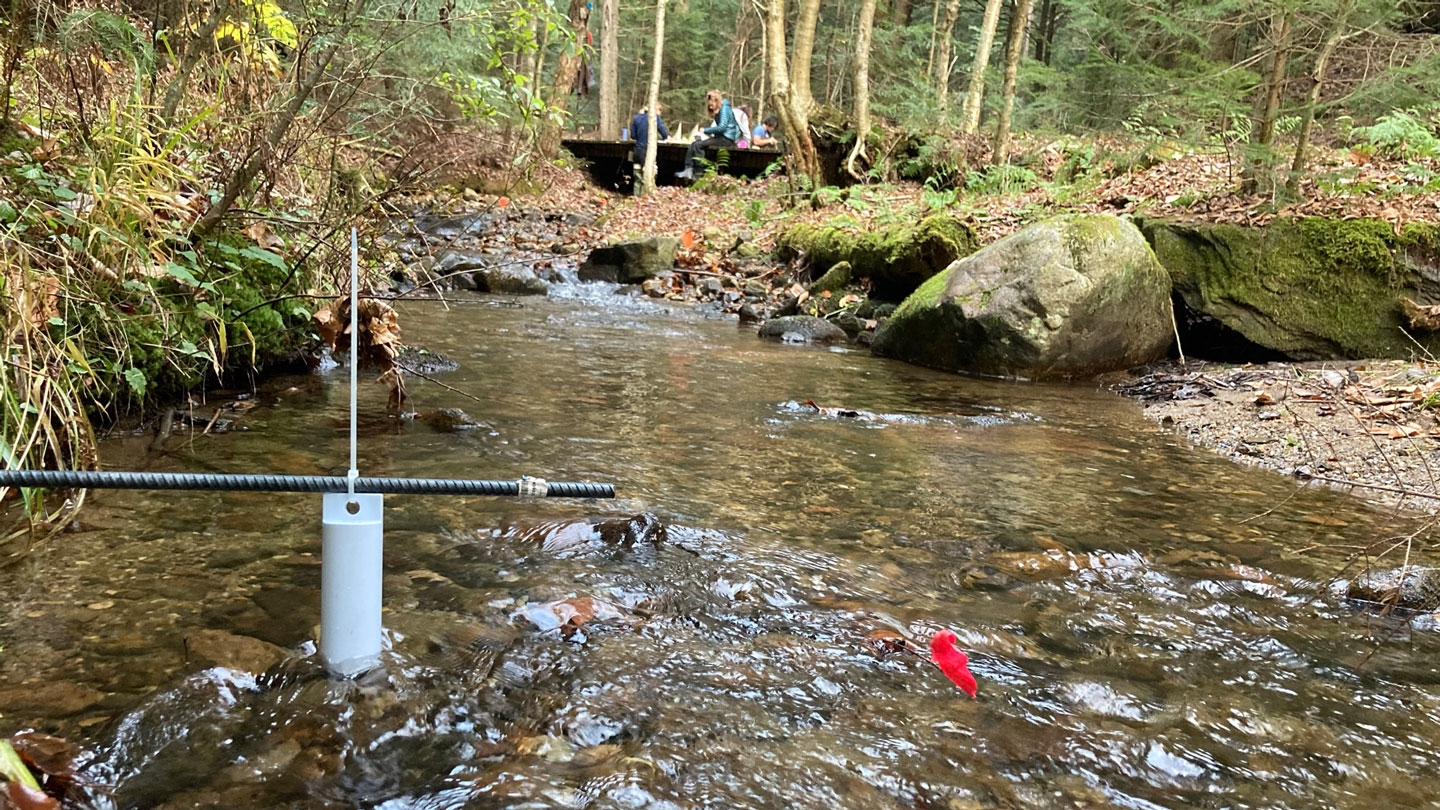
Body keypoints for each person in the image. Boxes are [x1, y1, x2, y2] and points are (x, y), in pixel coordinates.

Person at [677, 89, 740, 181]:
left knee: (698, 146)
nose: (710, 107)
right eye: (709, 105)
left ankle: (698, 173)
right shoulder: (721, 109)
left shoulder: (725, 109)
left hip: (726, 139)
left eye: (712, 105)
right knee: (694, 144)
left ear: (717, 101)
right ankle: (688, 169)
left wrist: (706, 130)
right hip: (720, 137)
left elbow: (722, 127)